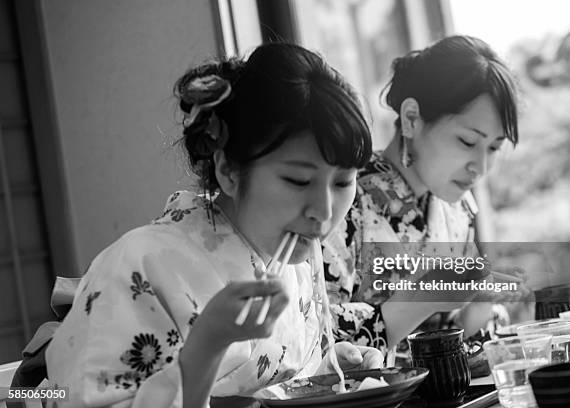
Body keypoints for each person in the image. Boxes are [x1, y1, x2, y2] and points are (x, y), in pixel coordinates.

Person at [45, 43, 382, 408]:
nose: (324, 210)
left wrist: (326, 372)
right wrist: (205, 347)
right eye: (299, 181)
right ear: (229, 171)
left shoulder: (293, 263)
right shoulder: (139, 267)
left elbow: (277, 382)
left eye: (343, 183)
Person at [323, 35, 520, 353]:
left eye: (494, 147)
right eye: (468, 142)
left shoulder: (457, 209)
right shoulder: (342, 198)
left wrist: (480, 304)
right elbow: (313, 332)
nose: (480, 167)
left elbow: (449, 331)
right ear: (412, 119)